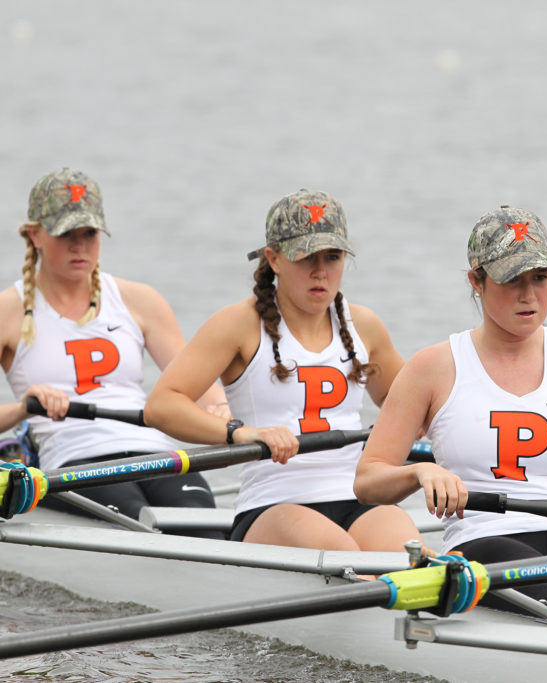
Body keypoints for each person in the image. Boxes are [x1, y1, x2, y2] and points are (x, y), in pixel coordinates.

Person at [354, 205, 547, 637]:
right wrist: (420, 471)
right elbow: (368, 481)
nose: (529, 296)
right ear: (476, 282)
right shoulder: (433, 368)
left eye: (539, 278)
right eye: (511, 280)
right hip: (486, 541)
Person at [144, 189, 423, 554]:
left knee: (413, 558)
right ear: (274, 259)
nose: (320, 272)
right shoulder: (239, 325)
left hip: (355, 493)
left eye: (333, 257)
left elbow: (408, 404)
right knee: (347, 559)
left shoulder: (364, 325)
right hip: (274, 503)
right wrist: (241, 434)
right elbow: (162, 405)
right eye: (306, 257)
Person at [0, 167, 228, 538]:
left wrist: (222, 413)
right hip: (71, 462)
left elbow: (198, 383)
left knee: (202, 520)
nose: (80, 246)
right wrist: (23, 408)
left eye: (89, 233)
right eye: (66, 234)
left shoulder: (140, 300)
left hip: (151, 446)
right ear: (34, 235)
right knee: (140, 524)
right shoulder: (7, 311)